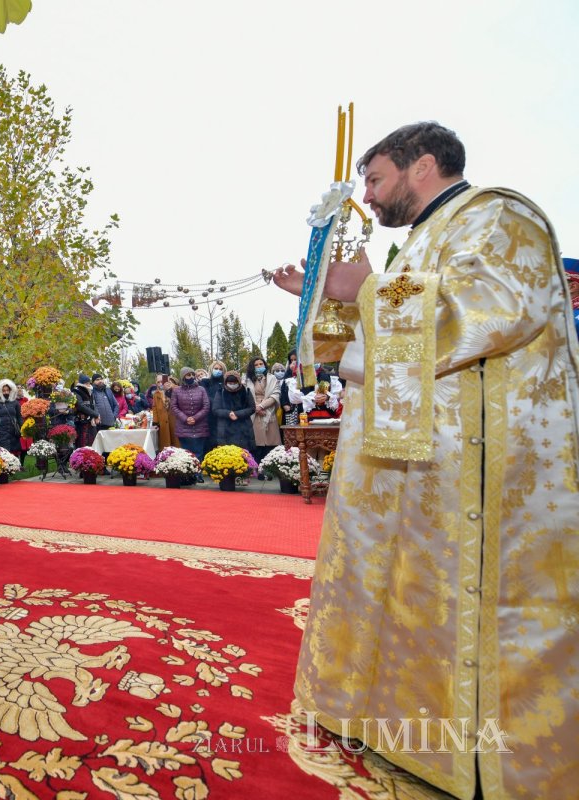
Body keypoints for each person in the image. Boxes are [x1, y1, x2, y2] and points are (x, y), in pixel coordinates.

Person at [272, 121, 579, 798]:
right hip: (414, 468)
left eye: (376, 179)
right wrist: (325, 296)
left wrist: (370, 288)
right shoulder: (420, 246)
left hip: (478, 472)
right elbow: (371, 349)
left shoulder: (500, 216)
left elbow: (489, 309)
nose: (370, 199)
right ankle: (392, 723)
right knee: (403, 595)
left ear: (423, 166)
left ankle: (475, 755)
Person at [244, 355, 280, 471]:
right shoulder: (247, 379)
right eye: (256, 365)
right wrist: (256, 408)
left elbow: (275, 394)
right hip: (254, 413)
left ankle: (269, 469)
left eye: (261, 364)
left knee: (270, 443)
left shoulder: (272, 378)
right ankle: (256, 468)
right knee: (256, 442)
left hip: (268, 411)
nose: (259, 366)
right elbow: (245, 395)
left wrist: (262, 406)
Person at [209, 370, 255, 454]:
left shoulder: (246, 391)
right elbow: (215, 409)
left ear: (239, 381)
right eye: (230, 383)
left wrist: (238, 414)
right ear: (225, 382)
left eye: (234, 383)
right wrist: (228, 413)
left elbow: (252, 408)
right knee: (227, 456)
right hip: (225, 428)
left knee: (244, 455)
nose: (232, 385)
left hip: (243, 428)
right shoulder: (220, 392)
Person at [170, 367, 210, 459]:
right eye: (188, 375)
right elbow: (174, 407)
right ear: (183, 377)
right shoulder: (176, 390)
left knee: (199, 453)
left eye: (192, 374)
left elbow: (206, 406)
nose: (191, 377)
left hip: (200, 427)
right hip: (183, 428)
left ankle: (198, 473)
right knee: (186, 454)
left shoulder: (201, 389)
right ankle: (188, 473)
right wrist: (185, 418)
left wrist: (195, 418)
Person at [0, 379, 23, 458]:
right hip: (1, 431)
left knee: (14, 450)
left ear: (11, 390)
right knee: (2, 451)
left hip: (13, 431)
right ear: (0, 391)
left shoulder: (15, 402)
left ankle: (14, 466)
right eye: (4, 390)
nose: (6, 392)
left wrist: (22, 429)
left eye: (7, 390)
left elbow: (19, 416)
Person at [71, 374, 96, 448]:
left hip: (90, 420)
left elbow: (94, 404)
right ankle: (81, 457)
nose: (88, 384)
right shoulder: (76, 391)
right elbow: (81, 406)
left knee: (92, 442)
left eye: (89, 382)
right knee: (82, 442)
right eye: (86, 383)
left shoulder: (90, 391)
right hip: (81, 421)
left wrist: (96, 415)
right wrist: (95, 414)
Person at [150, 375, 173, 452]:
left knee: (176, 444)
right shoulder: (156, 394)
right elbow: (155, 408)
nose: (160, 383)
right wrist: (155, 422)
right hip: (162, 423)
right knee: (165, 446)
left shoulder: (174, 390)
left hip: (174, 422)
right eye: (158, 382)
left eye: (162, 381)